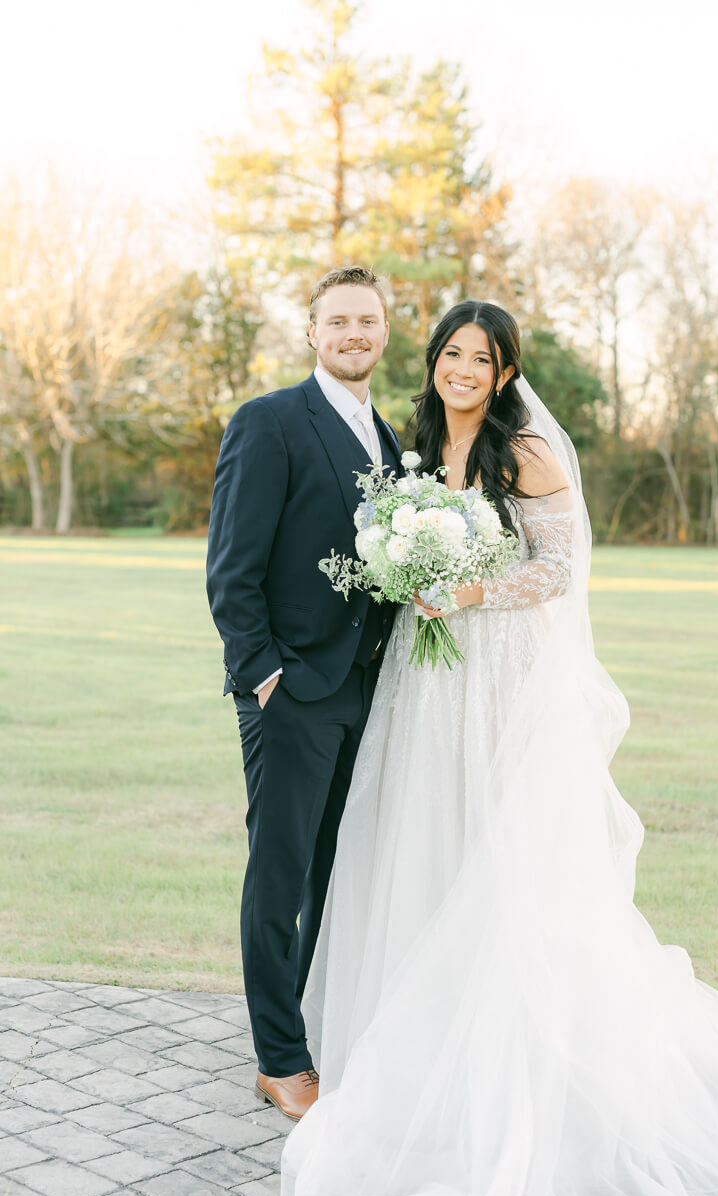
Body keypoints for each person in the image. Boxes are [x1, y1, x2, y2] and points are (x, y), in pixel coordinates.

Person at [280, 301, 718, 1196]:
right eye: (452, 354)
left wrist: (470, 589)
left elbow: (560, 569)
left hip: (496, 675)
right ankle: (414, 1034)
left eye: (482, 359)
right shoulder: (412, 446)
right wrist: (406, 570)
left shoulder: (524, 452)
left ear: (507, 372)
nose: (464, 371)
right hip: (423, 673)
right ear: (435, 362)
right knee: (417, 830)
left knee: (498, 848)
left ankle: (501, 1041)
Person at [206, 266, 401, 1121]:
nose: (354, 334)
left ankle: (313, 1025)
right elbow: (231, 568)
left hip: (365, 691)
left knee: (335, 868)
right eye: (338, 321)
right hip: (292, 692)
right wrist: (264, 675)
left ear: (385, 332)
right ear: (312, 331)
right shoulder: (270, 422)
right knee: (279, 872)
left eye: (368, 321)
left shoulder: (389, 439)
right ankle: (278, 1058)